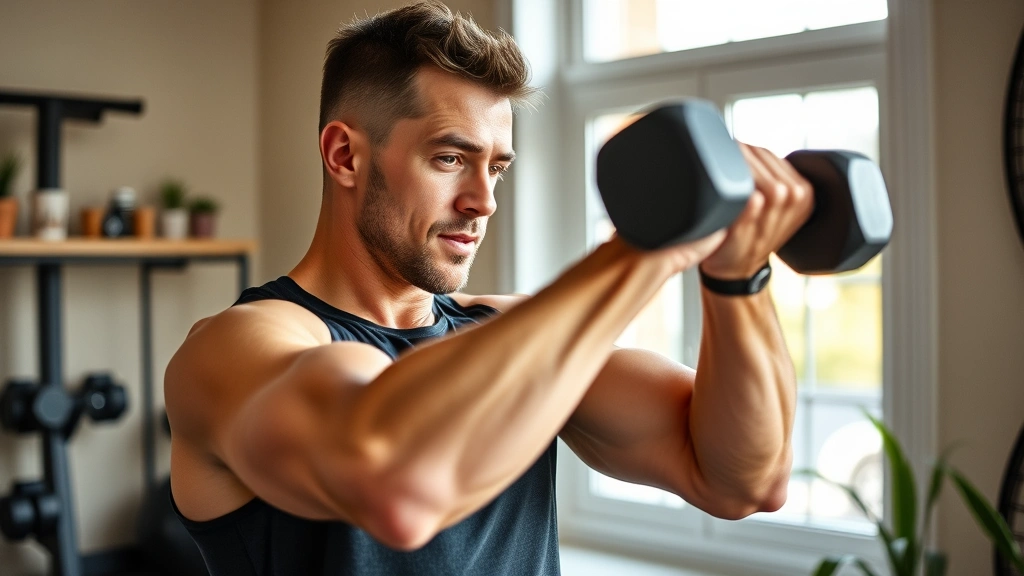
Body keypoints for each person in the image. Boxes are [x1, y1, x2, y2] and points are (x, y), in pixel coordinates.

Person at [165, 2, 813, 574]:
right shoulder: (238, 347)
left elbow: (743, 480)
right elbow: (397, 486)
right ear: (345, 156)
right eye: (450, 158)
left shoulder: (505, 335)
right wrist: (645, 247)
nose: (482, 202)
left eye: (495, 168)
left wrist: (738, 278)